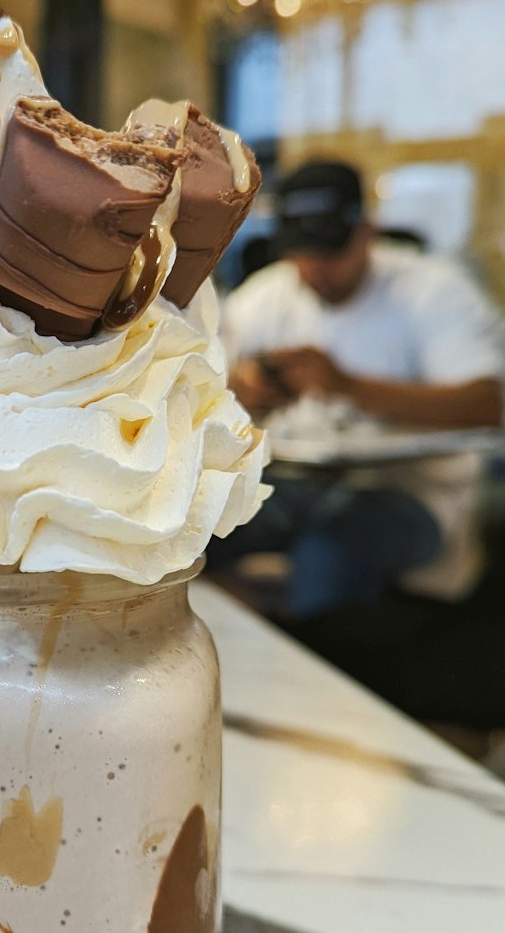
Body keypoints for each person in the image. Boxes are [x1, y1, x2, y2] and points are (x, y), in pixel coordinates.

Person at [216, 160, 505, 616]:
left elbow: (487, 405)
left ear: (367, 232)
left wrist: (346, 385)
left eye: (331, 252)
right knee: (201, 529)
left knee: (331, 552)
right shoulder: (266, 294)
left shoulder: (433, 290)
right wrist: (247, 391)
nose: (316, 269)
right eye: (303, 253)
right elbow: (210, 386)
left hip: (416, 490)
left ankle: (317, 668)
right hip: (297, 480)